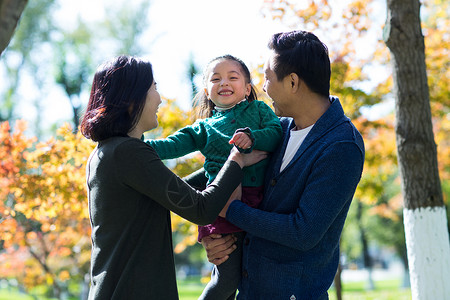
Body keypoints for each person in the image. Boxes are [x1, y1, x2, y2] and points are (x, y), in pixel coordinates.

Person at [79, 55, 267, 300]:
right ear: (131, 99)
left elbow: (176, 193)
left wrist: (222, 169)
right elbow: (201, 208)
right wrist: (237, 160)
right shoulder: (127, 152)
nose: (159, 99)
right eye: (154, 88)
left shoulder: (110, 151)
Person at [198, 31, 365, 299]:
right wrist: (213, 233)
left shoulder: (341, 145)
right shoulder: (279, 129)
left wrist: (229, 210)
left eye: (267, 77)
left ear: (293, 82)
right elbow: (220, 169)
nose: (263, 87)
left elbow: (303, 231)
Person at [145, 54, 282, 300]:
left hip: (259, 202)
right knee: (227, 279)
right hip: (222, 203)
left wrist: (252, 138)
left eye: (233, 77)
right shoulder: (204, 128)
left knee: (252, 274)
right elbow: (171, 145)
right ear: (207, 91)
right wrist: (134, 142)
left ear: (248, 88)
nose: (224, 83)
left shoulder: (259, 109)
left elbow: (275, 133)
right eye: (215, 79)